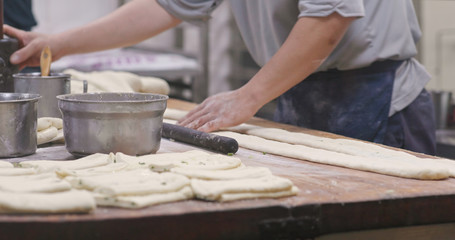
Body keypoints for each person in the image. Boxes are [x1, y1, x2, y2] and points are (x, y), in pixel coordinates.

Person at [3, 0, 436, 155]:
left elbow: (329, 19)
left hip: (376, 95)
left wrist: (248, 97)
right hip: (295, 90)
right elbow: (166, 6)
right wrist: (57, 44)